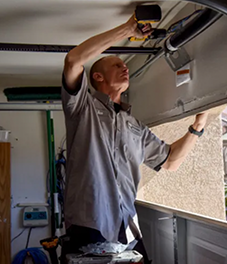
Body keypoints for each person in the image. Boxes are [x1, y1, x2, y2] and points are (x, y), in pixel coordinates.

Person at [60, 14, 208, 263]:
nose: (125, 68)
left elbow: (170, 161)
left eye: (124, 66)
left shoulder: (135, 126)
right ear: (97, 77)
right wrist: (128, 28)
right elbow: (73, 60)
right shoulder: (81, 108)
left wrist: (198, 126)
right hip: (89, 226)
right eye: (117, 65)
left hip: (127, 228)